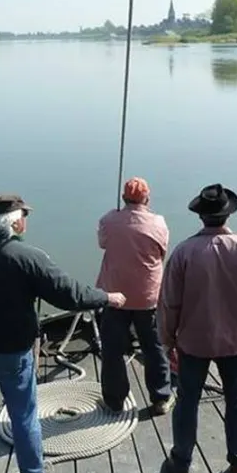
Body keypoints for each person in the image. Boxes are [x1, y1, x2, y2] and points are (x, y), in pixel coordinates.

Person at [0, 194, 126, 473]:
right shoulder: (27, 257)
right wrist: (107, 297)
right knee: (23, 413)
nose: (26, 221)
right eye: (24, 216)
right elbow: (69, 294)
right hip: (14, 352)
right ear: (16, 222)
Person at [158, 183, 237, 473]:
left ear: (201, 217)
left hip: (192, 343)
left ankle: (180, 464)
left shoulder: (183, 253)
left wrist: (167, 341)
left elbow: (169, 302)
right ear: (227, 216)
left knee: (186, 401)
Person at [95, 177, 173, 415]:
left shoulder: (109, 220)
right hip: (148, 296)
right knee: (154, 347)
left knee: (112, 350)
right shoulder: (158, 223)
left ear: (124, 198)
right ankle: (161, 397)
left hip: (115, 297)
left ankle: (114, 401)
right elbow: (162, 253)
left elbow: (102, 243)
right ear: (147, 198)